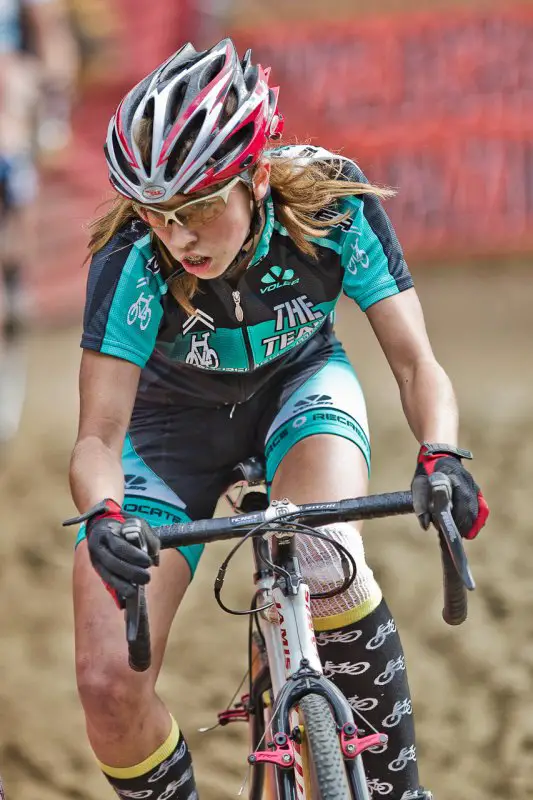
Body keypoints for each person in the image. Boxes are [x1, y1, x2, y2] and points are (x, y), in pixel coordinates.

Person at [67, 38, 489, 800]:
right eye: (157, 214)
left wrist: (441, 455)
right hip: (169, 435)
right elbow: (98, 435)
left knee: (325, 553)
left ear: (256, 175)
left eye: (196, 208)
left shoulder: (329, 204)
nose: (176, 236)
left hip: (299, 391)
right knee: (107, 682)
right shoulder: (133, 256)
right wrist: (103, 515)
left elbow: (414, 362)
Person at [0, 0, 77, 443]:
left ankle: (12, 313)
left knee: (11, 257)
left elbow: (51, 29)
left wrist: (50, 113)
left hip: (9, 130)